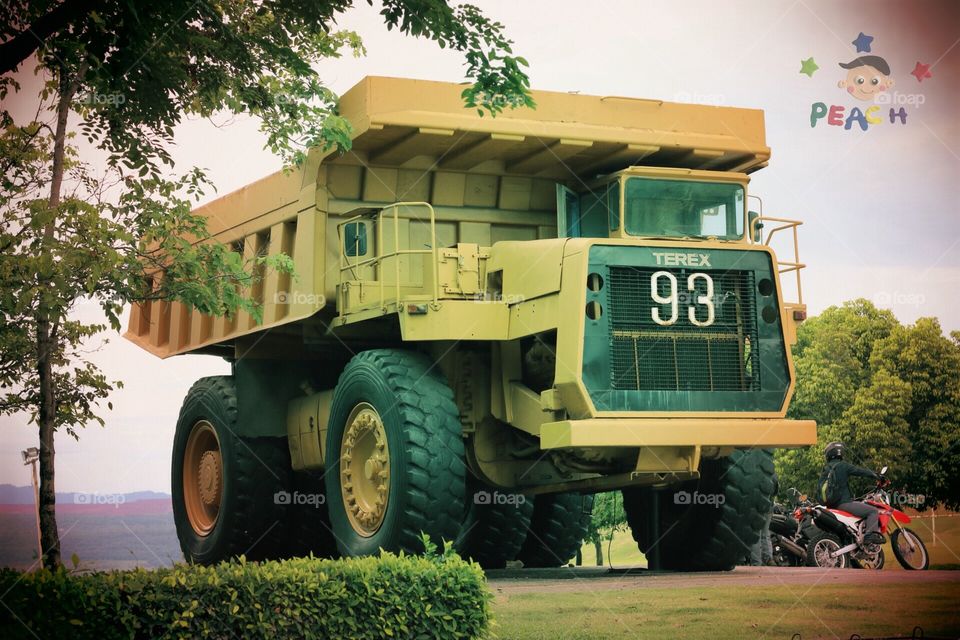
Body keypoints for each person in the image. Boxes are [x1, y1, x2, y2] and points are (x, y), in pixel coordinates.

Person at [818, 442, 884, 544]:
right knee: (873, 511)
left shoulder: (825, 469)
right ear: (840, 452)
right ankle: (870, 536)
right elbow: (860, 471)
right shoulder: (843, 466)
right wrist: (876, 476)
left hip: (831, 507)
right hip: (843, 504)